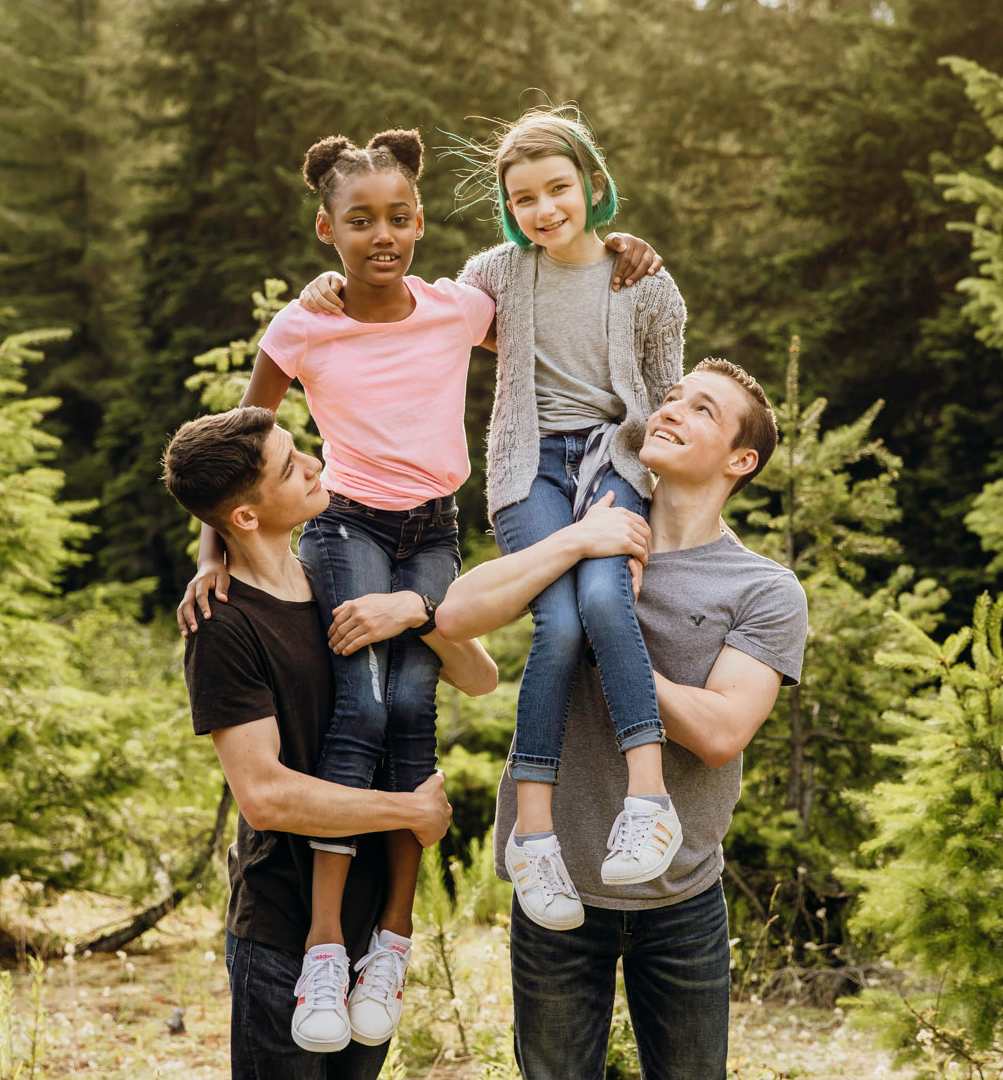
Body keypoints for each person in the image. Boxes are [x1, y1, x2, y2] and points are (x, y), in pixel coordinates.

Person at [184, 128, 666, 1047]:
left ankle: (391, 941)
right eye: (359, 220)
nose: (384, 236)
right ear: (326, 229)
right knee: (360, 708)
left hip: (435, 528)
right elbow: (243, 444)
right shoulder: (303, 324)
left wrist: (620, 253)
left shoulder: (454, 308)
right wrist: (212, 555)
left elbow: (550, 301)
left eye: (401, 217)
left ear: (419, 222)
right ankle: (327, 942)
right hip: (346, 525)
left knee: (413, 705)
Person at [299, 109, 688, 934]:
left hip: (613, 463)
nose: (545, 210)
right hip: (528, 467)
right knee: (557, 621)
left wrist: (659, 501)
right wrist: (321, 288)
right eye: (525, 199)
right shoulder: (499, 273)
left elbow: (665, 395)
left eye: (559, 189)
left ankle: (649, 800)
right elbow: (409, 311)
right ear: (508, 209)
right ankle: (534, 836)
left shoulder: (645, 279)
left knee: (606, 605)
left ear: (592, 184)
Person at [431, 359, 807, 1080]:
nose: (670, 410)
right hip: (557, 883)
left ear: (741, 459)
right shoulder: (579, 532)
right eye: (669, 397)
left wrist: (616, 638)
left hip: (683, 894)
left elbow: (722, 730)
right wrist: (577, 544)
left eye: (701, 409)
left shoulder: (763, 589)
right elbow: (455, 614)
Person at [162, 405, 500, 1078]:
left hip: (373, 934)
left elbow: (479, 675)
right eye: (292, 466)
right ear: (247, 516)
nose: (317, 464)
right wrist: (410, 811)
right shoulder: (221, 625)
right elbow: (264, 797)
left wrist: (414, 610)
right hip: (283, 931)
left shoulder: (342, 575)